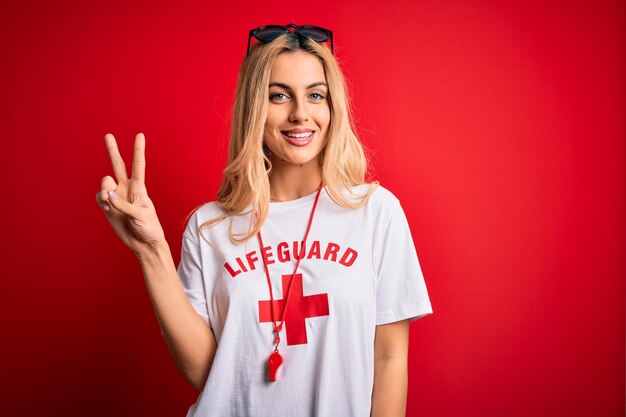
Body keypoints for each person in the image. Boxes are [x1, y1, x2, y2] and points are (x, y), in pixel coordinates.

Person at [95, 24, 433, 417]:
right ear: (254, 106)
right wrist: (151, 250)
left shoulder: (376, 212)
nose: (300, 114)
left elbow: (390, 357)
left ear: (333, 106)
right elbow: (206, 371)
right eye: (278, 95)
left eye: (315, 95)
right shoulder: (209, 228)